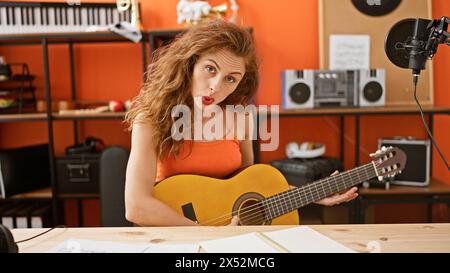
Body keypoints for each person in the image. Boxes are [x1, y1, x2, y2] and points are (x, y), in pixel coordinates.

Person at [124, 20, 358, 227]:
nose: (216, 86)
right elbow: (136, 206)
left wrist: (313, 193)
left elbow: (247, 187)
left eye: (230, 79)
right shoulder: (150, 120)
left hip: (227, 236)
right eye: (210, 69)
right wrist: (204, 234)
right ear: (189, 64)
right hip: (173, 238)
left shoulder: (241, 118)